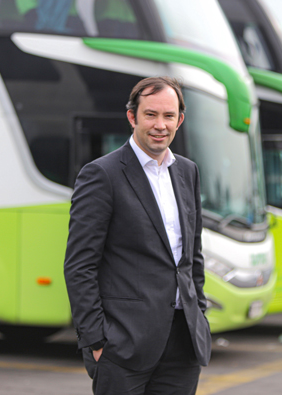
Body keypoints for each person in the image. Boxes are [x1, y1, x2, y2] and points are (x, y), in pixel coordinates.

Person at [64, 76, 211, 395]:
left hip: (183, 343)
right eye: (151, 114)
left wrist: (199, 314)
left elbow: (191, 257)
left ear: (179, 120)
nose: (160, 125)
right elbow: (79, 266)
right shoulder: (102, 174)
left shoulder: (187, 171)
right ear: (132, 117)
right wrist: (96, 340)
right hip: (123, 345)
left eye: (168, 116)